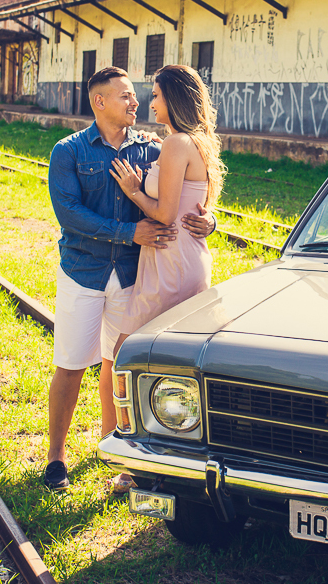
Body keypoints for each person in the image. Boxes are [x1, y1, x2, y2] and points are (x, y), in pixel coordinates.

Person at [43, 66, 214, 491]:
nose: (135, 101)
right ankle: (56, 458)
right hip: (84, 272)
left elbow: (186, 186)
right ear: (99, 102)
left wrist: (208, 219)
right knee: (70, 364)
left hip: (134, 273)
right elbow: (70, 215)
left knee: (117, 364)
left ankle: (114, 446)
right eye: (124, 96)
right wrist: (127, 231)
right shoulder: (69, 151)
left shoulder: (151, 149)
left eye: (139, 94)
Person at [106, 64, 225, 492]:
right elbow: (195, 202)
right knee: (176, 362)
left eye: (154, 94)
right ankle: (167, 460)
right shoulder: (190, 143)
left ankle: (131, 461)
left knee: (128, 353)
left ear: (171, 98)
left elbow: (165, 213)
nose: (149, 101)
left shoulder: (176, 144)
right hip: (182, 258)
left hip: (169, 261)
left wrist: (133, 188)